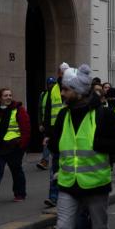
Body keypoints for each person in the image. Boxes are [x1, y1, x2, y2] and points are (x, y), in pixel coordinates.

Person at [28, 64, 115, 229]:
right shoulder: (64, 115)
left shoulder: (102, 114)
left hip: (95, 183)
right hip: (68, 183)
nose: (62, 93)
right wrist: (52, 145)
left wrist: (99, 145)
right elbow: (56, 143)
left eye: (66, 90)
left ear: (78, 91)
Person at [0, 88, 30, 206]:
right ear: (0, 98)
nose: (8, 97)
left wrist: (22, 145)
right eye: (5, 95)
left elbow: (26, 129)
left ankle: (19, 193)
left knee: (16, 171)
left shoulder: (18, 109)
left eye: (10, 95)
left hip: (13, 147)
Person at [42, 63, 69, 211]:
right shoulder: (53, 90)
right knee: (55, 167)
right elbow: (48, 112)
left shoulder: (73, 87)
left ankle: (66, 196)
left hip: (70, 134)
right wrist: (46, 134)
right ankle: (53, 197)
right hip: (56, 134)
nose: (64, 74)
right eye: (62, 72)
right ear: (59, 73)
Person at [37, 77, 56, 170]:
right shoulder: (43, 94)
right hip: (46, 123)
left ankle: (45, 161)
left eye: (52, 84)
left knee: (48, 142)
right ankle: (46, 161)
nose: (51, 85)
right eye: (49, 84)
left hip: (56, 123)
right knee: (47, 142)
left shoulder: (57, 94)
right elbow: (40, 110)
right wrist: (40, 123)